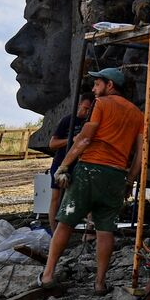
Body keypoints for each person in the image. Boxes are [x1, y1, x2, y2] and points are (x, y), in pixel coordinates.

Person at [40, 68, 144, 293]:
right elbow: (140, 154)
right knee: (106, 230)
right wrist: (129, 181)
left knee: (66, 221)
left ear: (110, 85)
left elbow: (85, 139)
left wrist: (65, 165)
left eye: (97, 84)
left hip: (89, 170)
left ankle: (47, 275)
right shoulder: (137, 114)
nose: (94, 90)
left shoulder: (101, 105)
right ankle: (99, 283)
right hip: (116, 176)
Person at [47, 92, 94, 232]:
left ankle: (90, 230)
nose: (86, 112)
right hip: (61, 162)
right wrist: (71, 140)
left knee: (86, 196)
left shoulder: (91, 123)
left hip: (80, 164)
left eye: (89, 110)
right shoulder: (67, 120)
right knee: (56, 197)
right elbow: (52, 143)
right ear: (79, 105)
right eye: (85, 108)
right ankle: (54, 231)